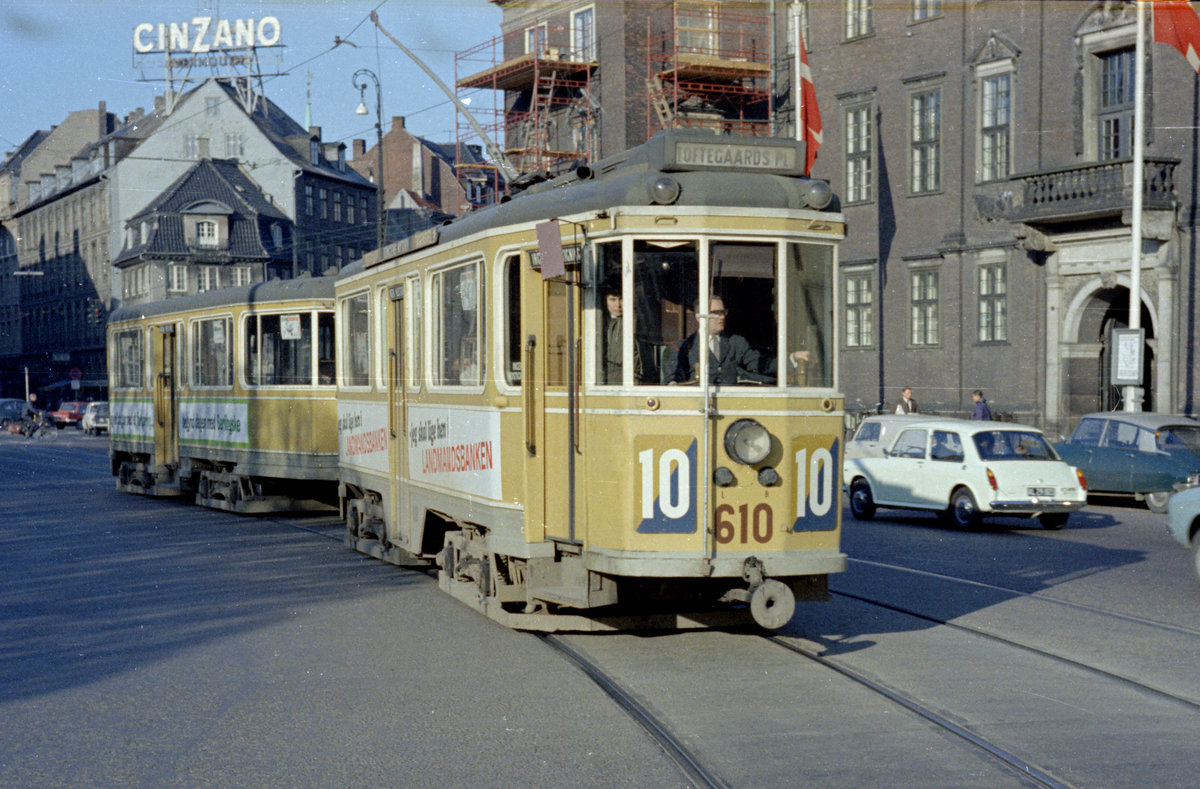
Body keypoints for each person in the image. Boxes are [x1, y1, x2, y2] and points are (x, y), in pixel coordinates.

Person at [667, 295, 808, 385]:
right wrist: (672, 384)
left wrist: (792, 358)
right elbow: (673, 376)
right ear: (699, 318)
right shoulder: (683, 347)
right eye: (716, 313)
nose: (722, 317)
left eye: (723, 312)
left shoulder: (736, 343)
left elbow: (761, 364)